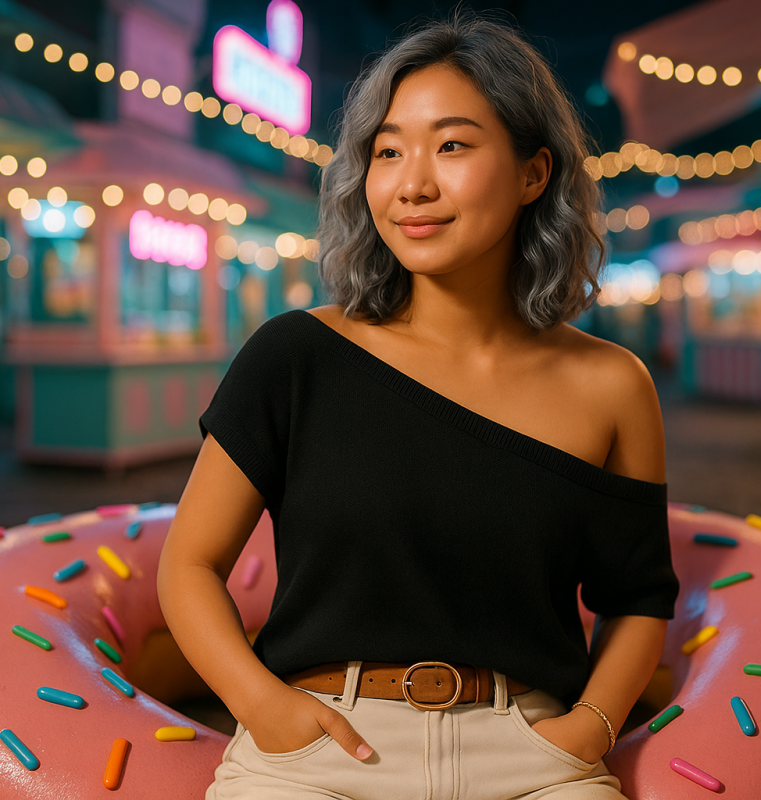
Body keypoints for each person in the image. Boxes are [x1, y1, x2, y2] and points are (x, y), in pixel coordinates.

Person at [157, 11, 680, 799]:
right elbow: (189, 566)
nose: (413, 184)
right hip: (320, 745)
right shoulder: (295, 354)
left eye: (453, 145)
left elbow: (638, 599)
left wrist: (590, 730)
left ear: (534, 173)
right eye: (388, 150)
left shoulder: (613, 385)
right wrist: (263, 706)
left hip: (530, 756)